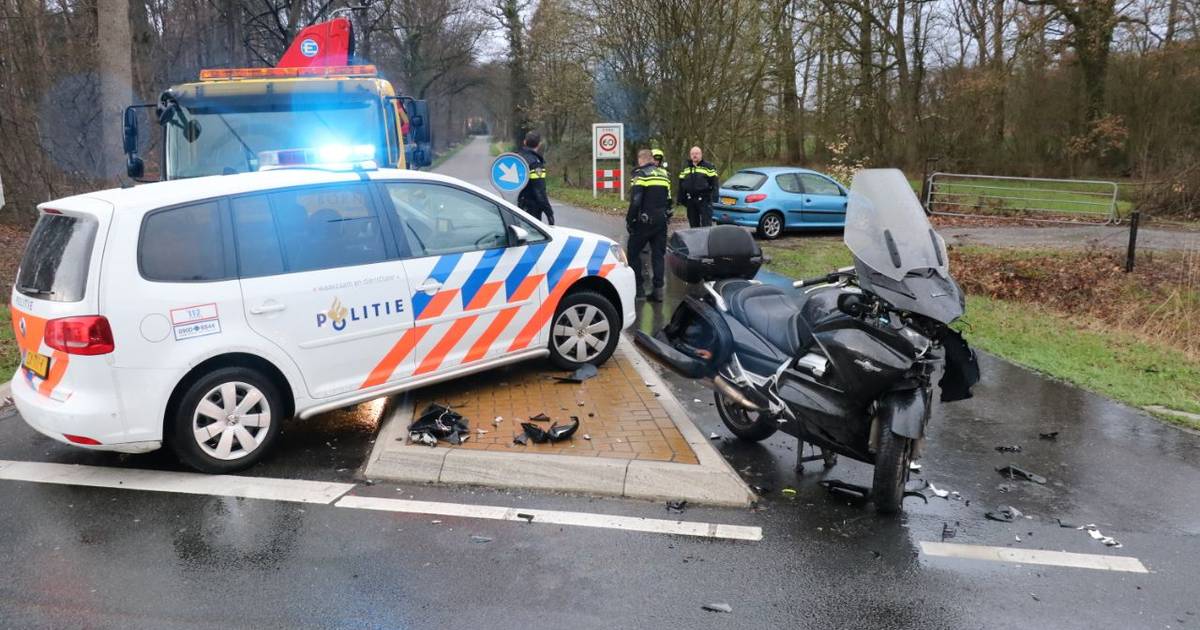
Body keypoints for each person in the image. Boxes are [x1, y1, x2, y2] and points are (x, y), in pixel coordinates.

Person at [626, 148, 672, 302]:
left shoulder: (640, 175)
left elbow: (636, 201)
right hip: (661, 220)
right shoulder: (664, 175)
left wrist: (630, 220)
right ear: (652, 159)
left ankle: (638, 290)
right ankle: (658, 291)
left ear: (641, 160)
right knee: (658, 255)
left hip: (644, 221)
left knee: (633, 253)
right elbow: (669, 200)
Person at [516, 131, 554, 224]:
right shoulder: (535, 163)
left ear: (524, 142)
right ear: (539, 144)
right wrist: (549, 212)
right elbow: (539, 190)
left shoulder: (516, 158)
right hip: (532, 208)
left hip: (515, 204)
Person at [677, 146, 719, 228]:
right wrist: (680, 199)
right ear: (690, 155)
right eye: (692, 154)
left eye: (696, 153)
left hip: (704, 199)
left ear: (701, 155)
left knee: (706, 224)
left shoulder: (708, 166)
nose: (694, 155)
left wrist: (714, 197)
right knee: (693, 224)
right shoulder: (685, 168)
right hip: (691, 200)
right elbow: (681, 184)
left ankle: (706, 240)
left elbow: (714, 183)